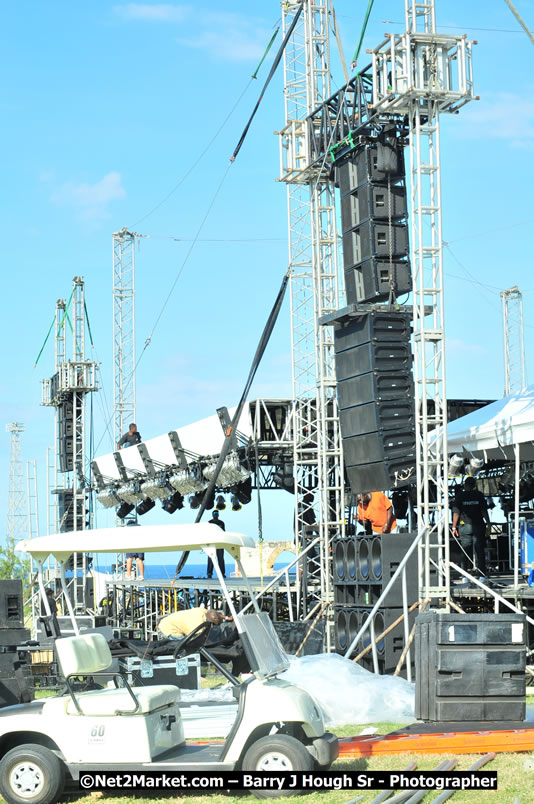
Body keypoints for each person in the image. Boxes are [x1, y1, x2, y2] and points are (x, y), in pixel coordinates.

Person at [451, 476, 490, 579]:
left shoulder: (460, 496)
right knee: (479, 550)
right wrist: (488, 523)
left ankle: (465, 576)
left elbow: (456, 513)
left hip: (465, 526)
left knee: (465, 550)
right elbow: (484, 511)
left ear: (464, 485)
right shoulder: (479, 495)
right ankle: (481, 575)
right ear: (474, 486)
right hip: (478, 525)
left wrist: (454, 527)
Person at [157, 606, 228, 639]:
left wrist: (227, 617)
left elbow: (215, 614)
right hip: (169, 629)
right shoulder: (198, 627)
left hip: (166, 621)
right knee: (185, 644)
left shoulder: (203, 611)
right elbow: (195, 639)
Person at [207, 511, 226, 578]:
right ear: (212, 515)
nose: (215, 515)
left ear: (218, 515)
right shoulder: (209, 523)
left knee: (221, 559)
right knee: (210, 559)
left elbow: (224, 532)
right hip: (211, 543)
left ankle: (222, 573)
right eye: (214, 513)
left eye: (216, 513)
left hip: (220, 543)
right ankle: (209, 573)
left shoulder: (221, 523)